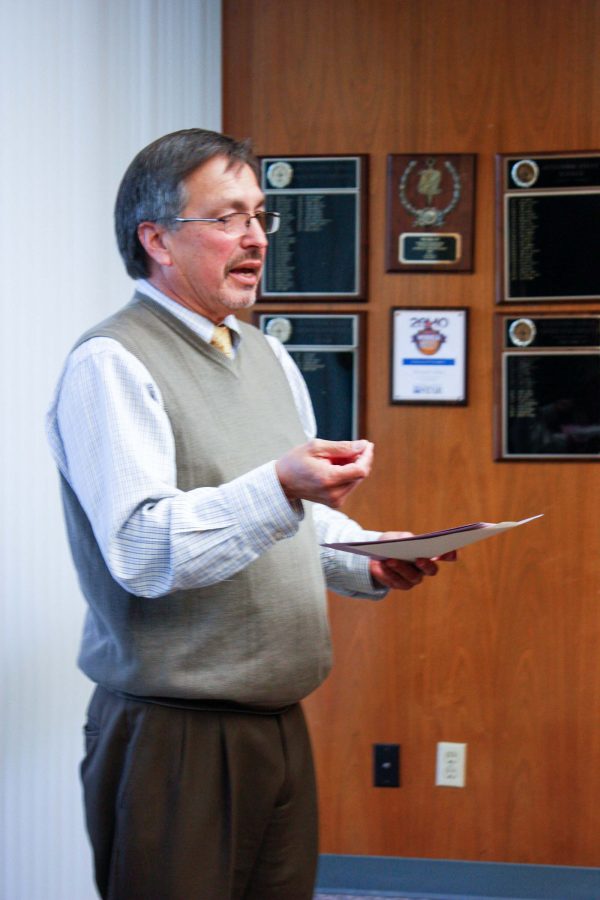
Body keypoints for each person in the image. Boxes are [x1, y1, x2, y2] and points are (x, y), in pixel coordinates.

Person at [46, 128, 455, 900]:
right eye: (228, 218)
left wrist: (366, 557)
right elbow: (143, 549)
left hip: (278, 724)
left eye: (261, 216)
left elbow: (293, 523)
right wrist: (280, 486)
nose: (257, 238)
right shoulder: (112, 363)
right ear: (157, 239)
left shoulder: (267, 356)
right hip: (174, 740)